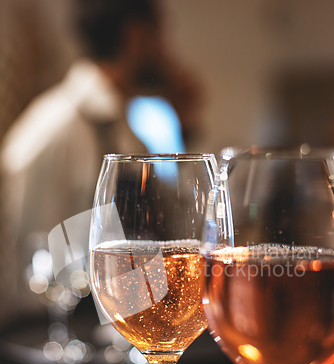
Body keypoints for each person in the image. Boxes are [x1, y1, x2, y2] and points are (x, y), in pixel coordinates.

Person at [0, 0, 203, 321]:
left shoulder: (122, 127)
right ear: (136, 36)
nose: (169, 50)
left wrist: (187, 127)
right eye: (162, 34)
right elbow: (31, 271)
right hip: (57, 341)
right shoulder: (56, 130)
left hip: (113, 329)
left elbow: (162, 230)